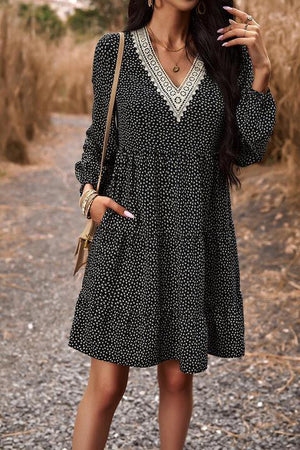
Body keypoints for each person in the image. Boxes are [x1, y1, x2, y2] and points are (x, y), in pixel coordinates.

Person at [68, 1, 276, 448]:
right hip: (128, 233)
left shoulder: (227, 56)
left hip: (194, 235)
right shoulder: (115, 50)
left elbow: (246, 150)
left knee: (180, 380)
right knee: (107, 388)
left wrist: (261, 71)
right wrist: (91, 199)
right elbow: (97, 141)